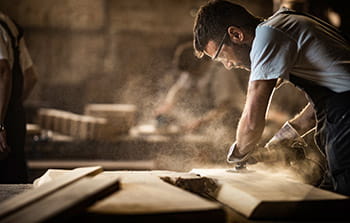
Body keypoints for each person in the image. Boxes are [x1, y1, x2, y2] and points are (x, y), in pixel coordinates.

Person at [193, 0, 350, 195]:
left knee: (341, 200)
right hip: (342, 114)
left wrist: (238, 155)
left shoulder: (268, 34)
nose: (228, 65)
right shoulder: (283, 27)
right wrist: (281, 139)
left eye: (221, 56)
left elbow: (251, 122)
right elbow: (315, 112)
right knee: (328, 196)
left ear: (236, 34)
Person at [154, 41, 247, 144]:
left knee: (222, 145)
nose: (190, 75)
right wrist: (168, 105)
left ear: (203, 62)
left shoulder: (221, 72)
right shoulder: (193, 71)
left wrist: (200, 122)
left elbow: (224, 107)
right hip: (209, 119)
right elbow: (178, 90)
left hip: (233, 120)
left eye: (193, 71)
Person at [0, 11, 38, 183]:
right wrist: (13, 107)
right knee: (15, 182)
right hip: (13, 119)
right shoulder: (10, 25)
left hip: (3, 125)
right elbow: (31, 77)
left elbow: (3, 71)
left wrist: (0, 123)